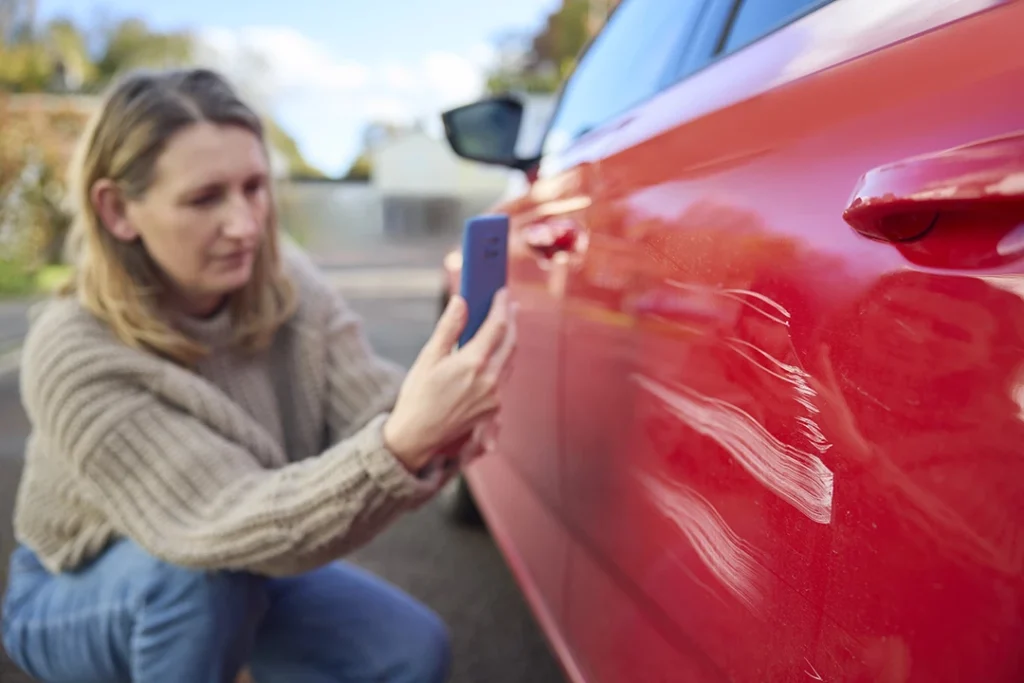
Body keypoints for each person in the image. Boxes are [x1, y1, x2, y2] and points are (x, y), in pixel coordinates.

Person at [0, 67, 515, 683]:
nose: (245, 225)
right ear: (117, 211)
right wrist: (401, 444)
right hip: (78, 587)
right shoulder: (74, 351)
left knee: (408, 648)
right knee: (195, 588)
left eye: (254, 187)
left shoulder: (287, 282)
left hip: (238, 565)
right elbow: (216, 520)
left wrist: (438, 427)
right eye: (205, 198)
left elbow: (367, 406)